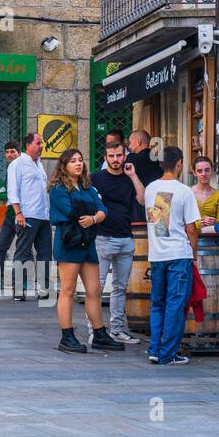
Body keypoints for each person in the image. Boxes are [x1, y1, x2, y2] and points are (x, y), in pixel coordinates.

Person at [48, 149, 120, 354]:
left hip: (87, 242)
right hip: (69, 241)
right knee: (68, 290)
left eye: (80, 160)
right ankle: (67, 336)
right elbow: (72, 211)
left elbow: (103, 209)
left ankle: (99, 334)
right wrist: (93, 214)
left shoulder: (88, 187)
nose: (78, 164)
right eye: (73, 161)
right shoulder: (58, 188)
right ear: (64, 165)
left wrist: (94, 218)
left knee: (94, 290)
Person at [144, 146, 201, 366]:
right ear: (179, 163)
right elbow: (192, 228)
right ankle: (168, 353)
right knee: (176, 305)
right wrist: (193, 254)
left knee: (157, 304)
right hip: (178, 254)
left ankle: (155, 350)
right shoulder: (185, 191)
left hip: (157, 255)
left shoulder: (150, 189)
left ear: (160, 164)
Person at [92, 142, 146, 344]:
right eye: (111, 156)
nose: (115, 160)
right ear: (105, 157)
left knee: (120, 288)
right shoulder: (96, 178)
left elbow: (142, 199)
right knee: (95, 288)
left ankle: (116, 329)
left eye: (119, 156)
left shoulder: (129, 178)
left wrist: (133, 175)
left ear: (125, 156)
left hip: (125, 238)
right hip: (102, 238)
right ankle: (94, 330)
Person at [7, 132, 51, 300]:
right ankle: (19, 289)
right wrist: (18, 213)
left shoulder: (39, 164)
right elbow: (13, 191)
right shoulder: (17, 164)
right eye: (38, 143)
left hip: (43, 216)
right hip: (27, 215)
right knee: (23, 252)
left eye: (41, 143)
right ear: (28, 145)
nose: (41, 146)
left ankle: (44, 289)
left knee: (45, 253)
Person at [0, 141, 21, 297]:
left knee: (23, 248)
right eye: (7, 152)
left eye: (13, 151)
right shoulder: (10, 168)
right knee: (1, 246)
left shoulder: (22, 167)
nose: (10, 154)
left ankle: (23, 281)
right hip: (10, 212)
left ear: (19, 152)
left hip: (21, 212)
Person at [192, 156, 219, 229]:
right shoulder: (187, 193)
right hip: (190, 237)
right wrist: (198, 224)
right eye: (199, 171)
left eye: (207, 170)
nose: (203, 174)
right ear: (194, 173)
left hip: (212, 238)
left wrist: (215, 222)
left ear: (212, 170)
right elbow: (181, 222)